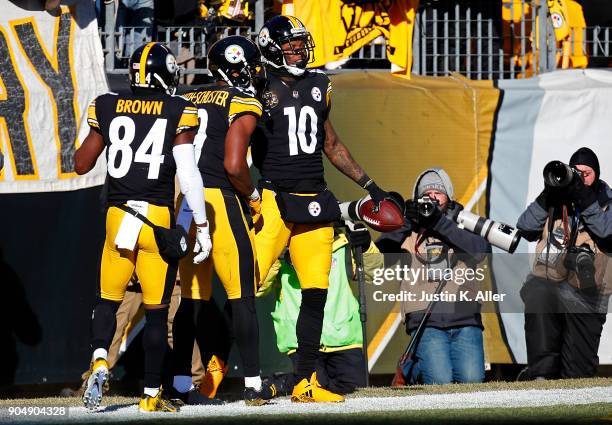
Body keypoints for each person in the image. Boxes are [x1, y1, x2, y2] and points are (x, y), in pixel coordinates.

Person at [252, 15, 390, 403]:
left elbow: (331, 144)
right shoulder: (259, 85)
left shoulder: (319, 85)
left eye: (300, 44)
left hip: (314, 196)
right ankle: (220, 375)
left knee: (316, 291)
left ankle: (304, 382)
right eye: (291, 45)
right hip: (274, 197)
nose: (299, 51)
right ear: (271, 48)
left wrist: (371, 186)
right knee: (244, 286)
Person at [75, 42, 211, 413]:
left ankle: (100, 358)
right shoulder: (179, 109)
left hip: (118, 217)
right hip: (156, 219)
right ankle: (151, 395)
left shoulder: (106, 104)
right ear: (163, 73)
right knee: (156, 311)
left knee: (107, 301)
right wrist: (201, 224)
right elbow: (188, 173)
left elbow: (81, 164)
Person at [172, 35, 276, 406]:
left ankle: (181, 386)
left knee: (191, 299)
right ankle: (252, 384)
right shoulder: (242, 100)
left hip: (186, 203)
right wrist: (252, 196)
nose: (251, 73)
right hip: (219, 197)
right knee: (242, 296)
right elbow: (234, 165)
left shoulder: (187, 97)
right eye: (245, 67)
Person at [377, 168, 490, 384]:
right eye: (426, 194)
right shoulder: (409, 227)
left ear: (448, 195)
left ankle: (419, 365)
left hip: (464, 316)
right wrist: (406, 222)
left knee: (472, 380)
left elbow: (481, 251)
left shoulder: (463, 221)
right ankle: (416, 369)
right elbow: (381, 254)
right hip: (425, 318)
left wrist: (439, 222)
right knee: (440, 380)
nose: (432, 197)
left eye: (438, 192)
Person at [517, 147, 612, 380]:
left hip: (589, 294)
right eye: (575, 173)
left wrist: (585, 197)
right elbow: (525, 227)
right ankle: (541, 375)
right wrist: (547, 194)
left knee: (577, 375)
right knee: (537, 290)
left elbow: (606, 232)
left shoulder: (607, 200)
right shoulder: (557, 199)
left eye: (586, 173)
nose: (581, 178)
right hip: (551, 283)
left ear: (596, 174)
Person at [258, 222, 382, 395]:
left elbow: (373, 273)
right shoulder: (279, 244)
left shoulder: (343, 241)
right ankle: (281, 382)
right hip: (301, 338)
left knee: (356, 390)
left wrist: (367, 246)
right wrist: (275, 257)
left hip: (344, 335)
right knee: (315, 386)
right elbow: (258, 288)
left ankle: (286, 382)